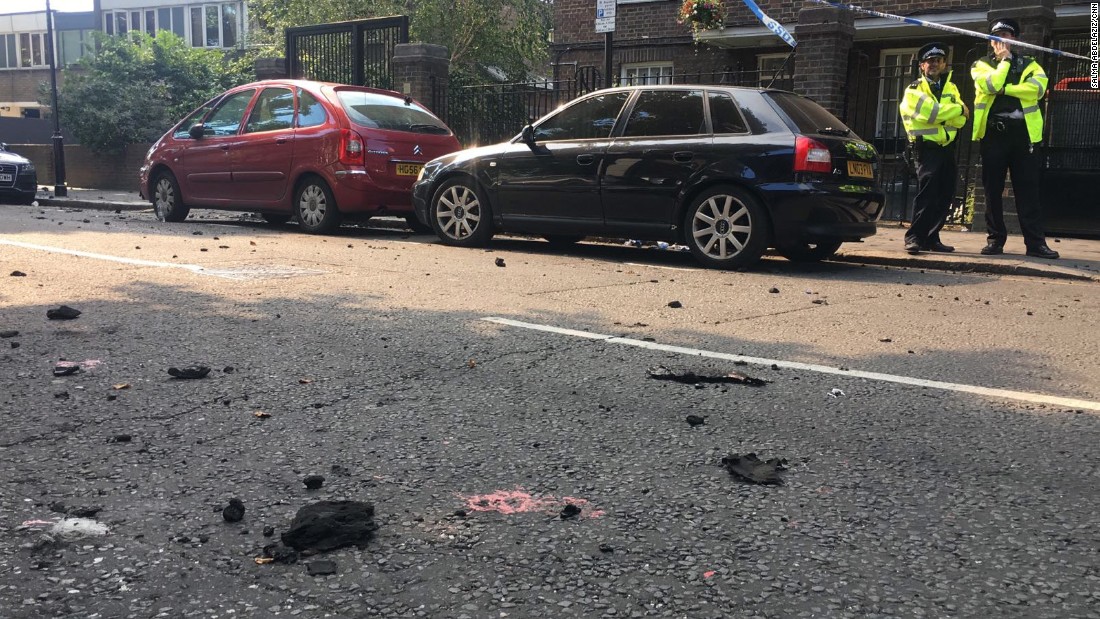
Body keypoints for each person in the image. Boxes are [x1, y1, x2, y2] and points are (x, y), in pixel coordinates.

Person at [971, 18, 1059, 259]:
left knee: (1028, 190)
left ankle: (1036, 244)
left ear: (1015, 39)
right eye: (997, 35)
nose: (1001, 39)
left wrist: (1005, 89)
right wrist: (1005, 63)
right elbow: (990, 84)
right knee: (992, 190)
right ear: (991, 41)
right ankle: (995, 240)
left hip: (1024, 135)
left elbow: (1037, 89)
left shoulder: (1030, 64)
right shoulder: (980, 65)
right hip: (993, 135)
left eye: (1006, 34)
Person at [899, 42, 968, 254]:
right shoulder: (914, 90)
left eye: (938, 61)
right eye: (930, 61)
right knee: (927, 194)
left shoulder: (951, 88)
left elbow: (962, 121)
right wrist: (956, 109)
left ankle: (931, 237)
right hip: (926, 148)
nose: (934, 64)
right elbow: (933, 114)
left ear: (944, 64)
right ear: (922, 66)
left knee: (945, 193)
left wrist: (948, 114)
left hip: (947, 147)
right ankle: (914, 238)